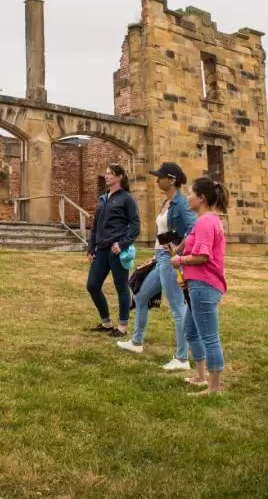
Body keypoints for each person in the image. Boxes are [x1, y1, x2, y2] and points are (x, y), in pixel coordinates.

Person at [116, 162, 196, 371]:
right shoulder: (166, 202)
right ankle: (136, 342)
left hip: (169, 261)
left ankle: (182, 359)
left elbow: (194, 229)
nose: (157, 180)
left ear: (171, 180)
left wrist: (178, 249)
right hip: (160, 258)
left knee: (178, 308)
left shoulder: (180, 204)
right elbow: (164, 234)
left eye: (160, 177)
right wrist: (157, 254)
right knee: (141, 296)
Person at [170, 176, 229, 395]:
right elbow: (193, 245)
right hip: (198, 285)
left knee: (209, 337)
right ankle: (201, 376)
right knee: (190, 330)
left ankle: (214, 388)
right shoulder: (206, 220)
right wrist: (179, 248)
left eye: (192, 193)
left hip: (204, 285)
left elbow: (202, 256)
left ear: (201, 198)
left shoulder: (206, 221)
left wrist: (180, 260)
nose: (188, 197)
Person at [86, 163, 141, 338]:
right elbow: (95, 225)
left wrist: (123, 244)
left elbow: (135, 225)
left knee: (121, 287)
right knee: (92, 285)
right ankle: (106, 322)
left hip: (117, 250)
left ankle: (123, 326)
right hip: (101, 250)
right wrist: (90, 248)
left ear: (119, 177)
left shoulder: (127, 198)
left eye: (110, 173)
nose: (106, 176)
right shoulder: (103, 199)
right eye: (106, 173)